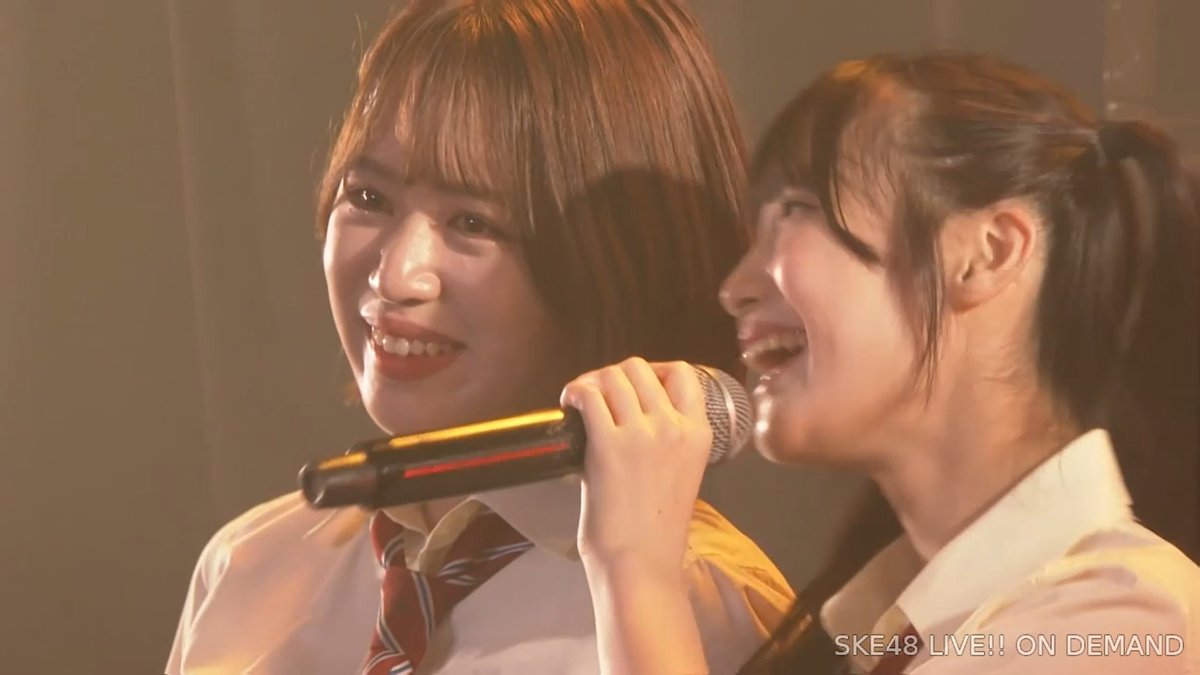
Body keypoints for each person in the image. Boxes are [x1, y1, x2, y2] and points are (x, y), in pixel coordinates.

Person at [166, 1, 795, 673]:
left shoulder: (703, 602)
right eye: (369, 198)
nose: (397, 276)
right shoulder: (249, 563)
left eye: (473, 222)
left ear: (613, 260)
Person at [565, 51, 1200, 674]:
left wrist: (638, 569)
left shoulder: (1123, 623)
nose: (736, 288)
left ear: (987, 253)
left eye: (797, 209)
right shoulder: (878, 626)